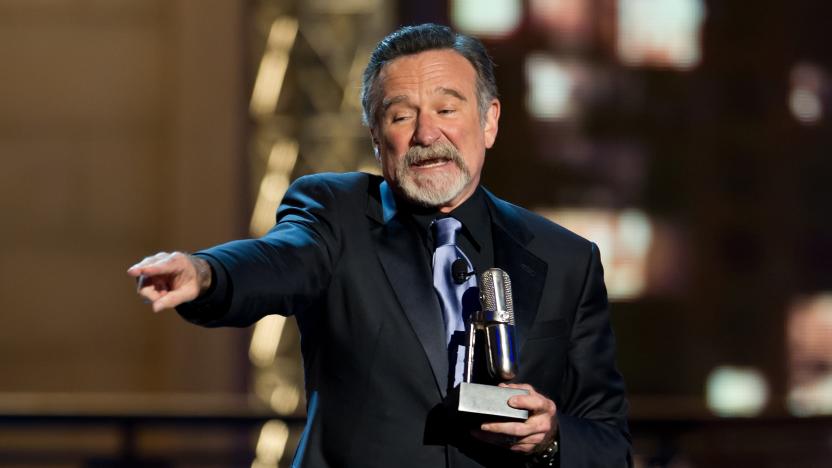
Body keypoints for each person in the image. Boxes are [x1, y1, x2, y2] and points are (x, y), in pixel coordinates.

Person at [128, 23, 631, 468]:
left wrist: (552, 437)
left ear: (489, 120)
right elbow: (280, 260)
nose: (426, 133)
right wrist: (207, 273)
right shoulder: (335, 213)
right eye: (400, 116)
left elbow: (609, 442)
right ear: (375, 135)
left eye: (447, 108)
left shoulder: (567, 257)